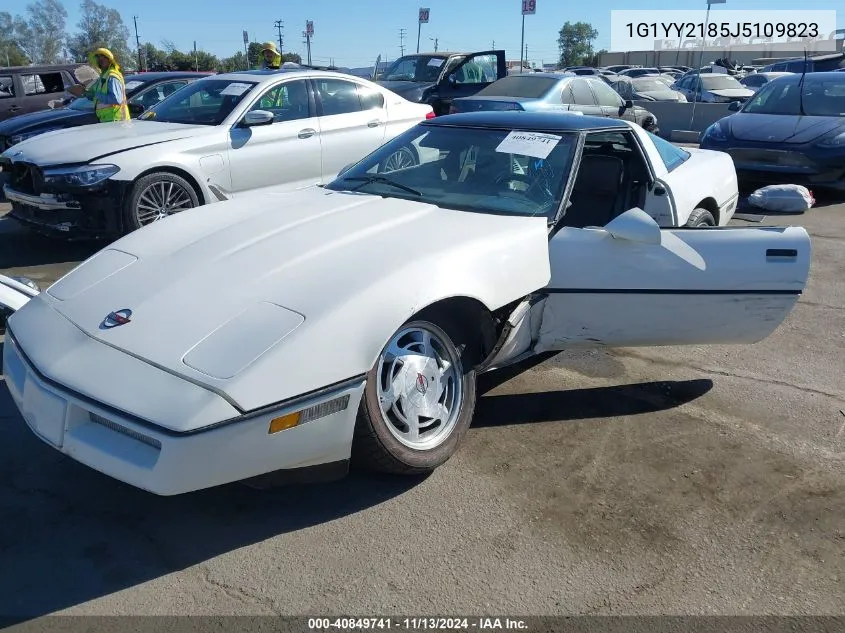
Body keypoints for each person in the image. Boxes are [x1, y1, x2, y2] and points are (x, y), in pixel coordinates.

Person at [68, 47, 129, 122]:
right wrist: (84, 93)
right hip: (108, 120)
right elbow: (95, 95)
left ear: (109, 60)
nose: (100, 59)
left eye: (103, 57)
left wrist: (96, 95)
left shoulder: (112, 76)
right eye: (98, 57)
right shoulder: (103, 77)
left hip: (117, 120)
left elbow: (116, 99)